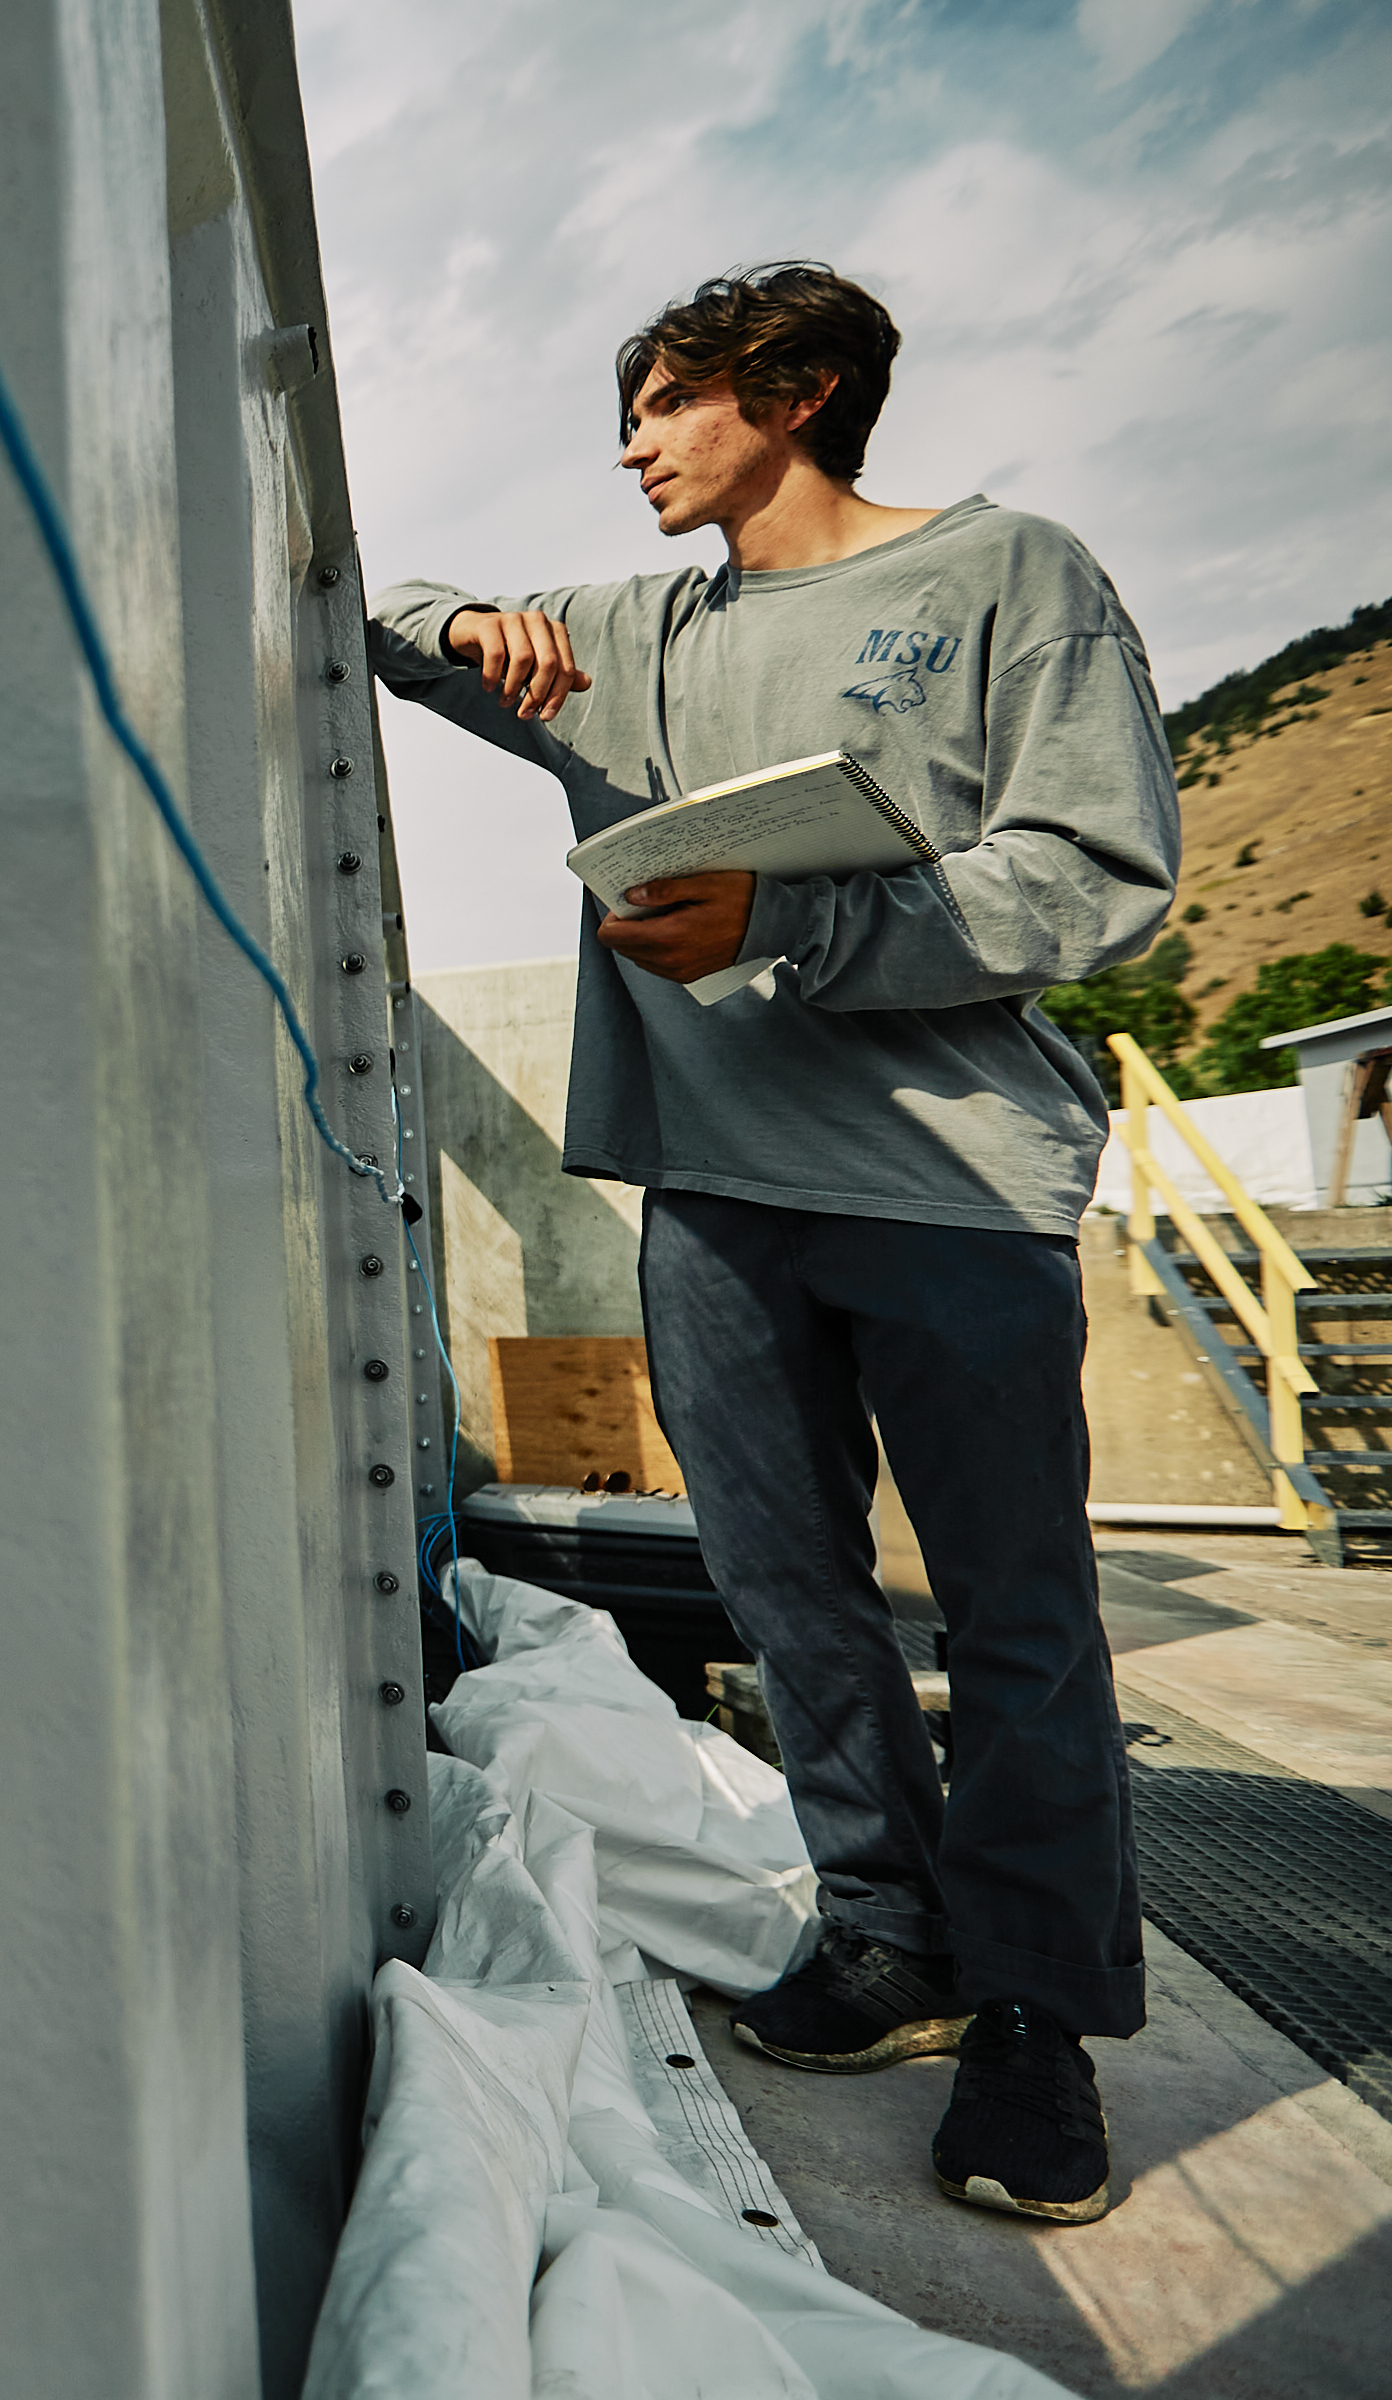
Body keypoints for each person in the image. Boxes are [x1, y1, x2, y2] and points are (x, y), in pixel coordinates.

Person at [368, 261, 1179, 2225]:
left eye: (666, 403)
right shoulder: (631, 635)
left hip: (950, 1183)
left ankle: (1038, 2023)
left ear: (799, 391)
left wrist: (793, 924)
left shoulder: (1011, 580)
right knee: (789, 1594)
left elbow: (1097, 873)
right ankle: (891, 1940)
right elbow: (373, 626)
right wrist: (458, 620)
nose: (634, 444)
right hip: (713, 1199)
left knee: (1011, 1615)